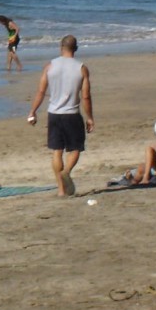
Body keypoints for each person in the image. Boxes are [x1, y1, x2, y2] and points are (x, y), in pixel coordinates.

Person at [27, 35, 94, 197]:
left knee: (57, 151)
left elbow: (41, 91)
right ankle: (67, 171)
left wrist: (33, 111)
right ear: (75, 48)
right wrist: (90, 117)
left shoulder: (50, 66)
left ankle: (61, 190)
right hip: (71, 114)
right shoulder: (81, 68)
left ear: (60, 47)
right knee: (76, 148)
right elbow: (85, 96)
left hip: (54, 114)